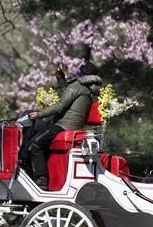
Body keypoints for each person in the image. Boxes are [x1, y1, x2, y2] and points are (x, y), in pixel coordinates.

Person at [26, 60, 102, 190]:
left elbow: (60, 106)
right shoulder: (85, 88)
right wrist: (60, 77)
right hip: (71, 124)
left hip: (63, 125)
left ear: (82, 73)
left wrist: (39, 114)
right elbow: (66, 90)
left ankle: (41, 179)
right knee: (35, 131)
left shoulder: (77, 86)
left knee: (34, 145)